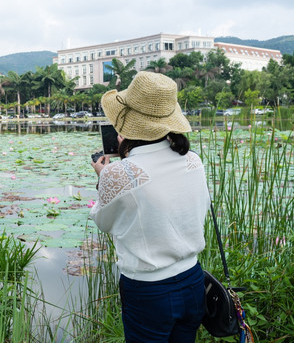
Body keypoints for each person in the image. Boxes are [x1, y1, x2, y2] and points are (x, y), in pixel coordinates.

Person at [89, 71, 210, 342]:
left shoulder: (119, 173)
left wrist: (103, 179)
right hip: (192, 279)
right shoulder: (193, 161)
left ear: (127, 123)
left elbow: (103, 222)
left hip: (148, 290)